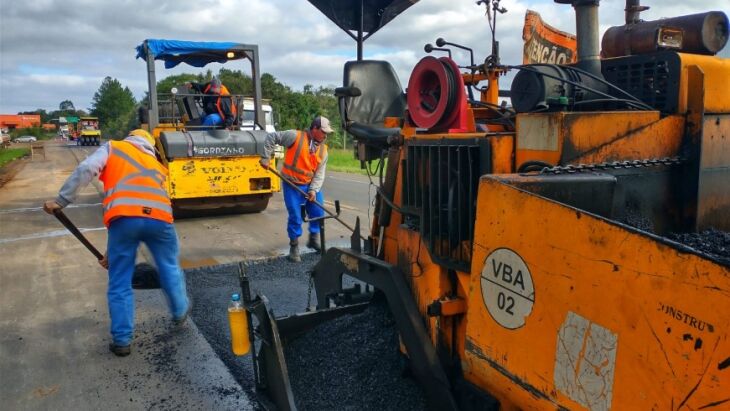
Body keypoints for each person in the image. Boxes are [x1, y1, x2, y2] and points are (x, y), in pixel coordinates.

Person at [43, 129, 189, 357]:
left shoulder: (115, 147)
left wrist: (62, 200)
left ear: (130, 137)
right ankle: (180, 314)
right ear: (150, 145)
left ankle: (122, 341)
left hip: (124, 219)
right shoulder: (157, 164)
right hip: (161, 221)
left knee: (120, 279)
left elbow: (87, 168)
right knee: (169, 267)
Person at [260, 116, 334, 262]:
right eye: (323, 132)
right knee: (295, 215)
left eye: (327, 133)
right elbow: (272, 137)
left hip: (309, 185)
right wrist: (266, 157)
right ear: (314, 129)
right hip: (291, 184)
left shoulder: (324, 151)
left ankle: (313, 238)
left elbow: (319, 175)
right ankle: (294, 246)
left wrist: (313, 190)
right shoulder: (295, 136)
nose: (326, 135)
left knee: (318, 211)